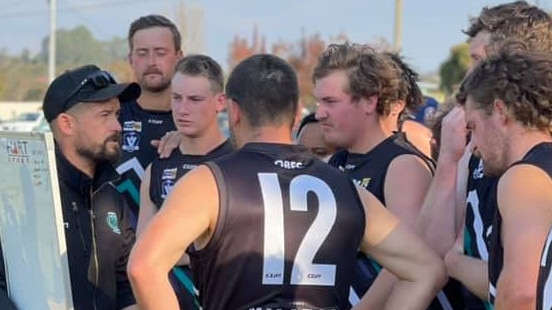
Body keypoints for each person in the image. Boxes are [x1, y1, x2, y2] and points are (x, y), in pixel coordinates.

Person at [128, 54, 446, 310]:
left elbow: (143, 266)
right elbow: (426, 269)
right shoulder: (346, 187)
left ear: (234, 112)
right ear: (296, 113)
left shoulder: (208, 182)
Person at [416, 2, 552, 309]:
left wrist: (457, 263)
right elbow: (432, 252)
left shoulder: (525, 168)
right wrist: (450, 161)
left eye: (477, 60)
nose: (468, 75)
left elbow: (523, 292)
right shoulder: (479, 145)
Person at [313, 43, 436, 306]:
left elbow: (406, 266)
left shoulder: (403, 166)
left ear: (369, 101)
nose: (319, 113)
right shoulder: (337, 161)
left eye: (331, 102)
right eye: (318, 101)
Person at [456, 47, 552, 309]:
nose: (473, 145)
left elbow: (523, 292)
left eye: (473, 127)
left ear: (500, 110)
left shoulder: (525, 177)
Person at [136, 54, 232, 309]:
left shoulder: (238, 161)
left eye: (195, 100)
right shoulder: (158, 167)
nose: (183, 109)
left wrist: (171, 252)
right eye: (176, 98)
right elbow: (143, 251)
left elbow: (240, 250)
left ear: (219, 102)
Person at [42, 64, 140, 309]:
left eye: (117, 114)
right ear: (66, 124)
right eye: (104, 115)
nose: (118, 126)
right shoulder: (24, 195)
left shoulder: (113, 192)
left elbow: (126, 287)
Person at [115, 14, 182, 222]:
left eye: (160, 53)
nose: (151, 62)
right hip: (117, 248)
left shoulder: (196, 121)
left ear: (178, 58)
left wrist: (192, 139)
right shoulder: (111, 114)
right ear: (131, 59)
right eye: (142, 53)